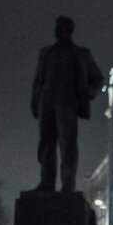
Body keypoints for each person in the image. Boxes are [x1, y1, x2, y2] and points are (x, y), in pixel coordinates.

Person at [31, 16, 103, 192]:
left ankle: (68, 182)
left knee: (67, 143)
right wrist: (35, 100)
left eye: (59, 28)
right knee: (46, 143)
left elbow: (98, 78)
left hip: (67, 102)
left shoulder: (81, 54)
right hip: (46, 101)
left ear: (68, 30)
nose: (55, 31)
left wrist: (88, 93)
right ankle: (46, 181)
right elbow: (38, 79)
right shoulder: (46, 52)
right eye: (55, 27)